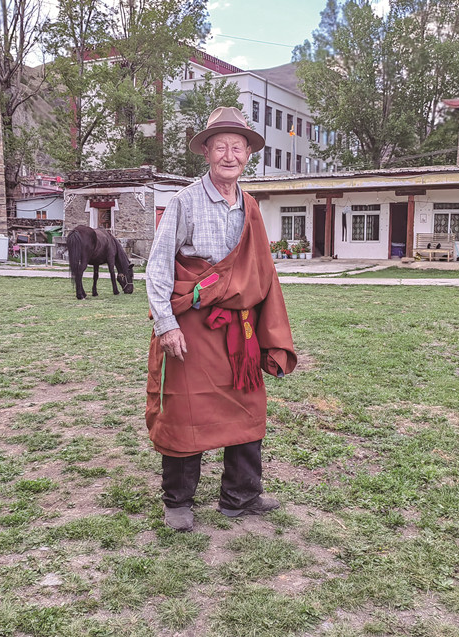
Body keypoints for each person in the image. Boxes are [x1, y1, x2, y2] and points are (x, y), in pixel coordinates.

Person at [145, 106, 297, 532]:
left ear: (248, 155)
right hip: (193, 325)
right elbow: (158, 268)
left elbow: (261, 272)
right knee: (186, 410)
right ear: (206, 152)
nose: (229, 156)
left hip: (239, 328)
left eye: (238, 147)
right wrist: (166, 325)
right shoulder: (184, 202)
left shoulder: (250, 205)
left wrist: (270, 333)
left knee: (249, 405)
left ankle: (241, 496)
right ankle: (178, 501)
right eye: (220, 147)